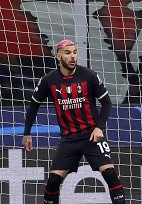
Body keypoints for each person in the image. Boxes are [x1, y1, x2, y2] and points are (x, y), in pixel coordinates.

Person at [22, 39, 125, 204]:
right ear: (58, 56)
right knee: (53, 181)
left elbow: (106, 103)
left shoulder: (88, 75)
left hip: (92, 135)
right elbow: (33, 106)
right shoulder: (48, 80)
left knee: (110, 174)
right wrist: (27, 133)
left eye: (75, 52)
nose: (73, 57)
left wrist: (100, 128)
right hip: (69, 139)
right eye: (68, 53)